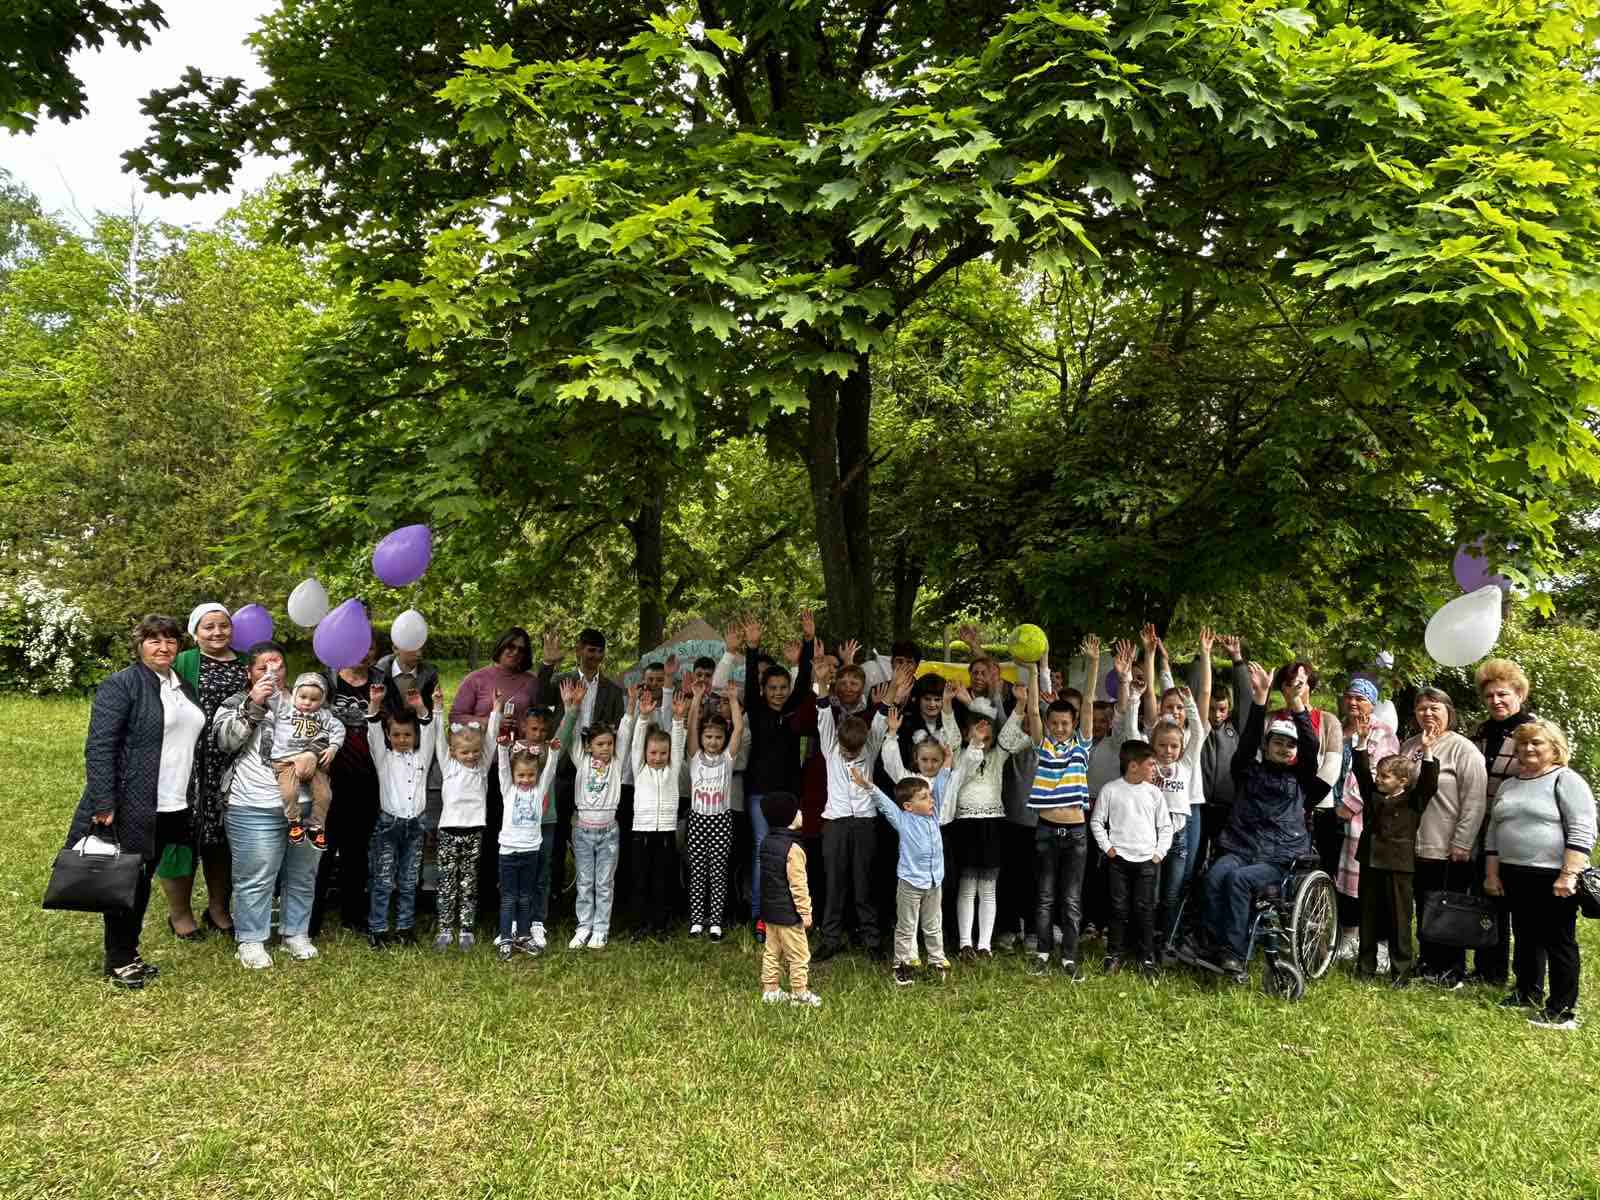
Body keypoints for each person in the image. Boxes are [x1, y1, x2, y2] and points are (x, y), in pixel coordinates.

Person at [65, 614, 205, 989]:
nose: (163, 647)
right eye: (154, 640)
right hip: (133, 802)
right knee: (127, 880)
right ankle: (119, 959)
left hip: (173, 801)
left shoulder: (182, 686)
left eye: (170, 640)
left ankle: (129, 951)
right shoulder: (122, 684)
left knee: (143, 877)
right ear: (139, 645)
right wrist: (104, 801)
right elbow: (99, 747)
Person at [1182, 662, 1326, 982]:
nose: (1284, 748)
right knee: (1215, 876)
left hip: (1277, 859)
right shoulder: (1247, 770)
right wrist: (1260, 699)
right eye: (1277, 742)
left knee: (1239, 880)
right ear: (1267, 745)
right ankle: (1208, 944)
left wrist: (1296, 704)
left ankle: (1233, 953)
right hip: (1240, 848)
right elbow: (1246, 743)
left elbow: (1311, 745)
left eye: (1289, 745)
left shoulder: (1301, 778)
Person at [213, 641, 327, 969]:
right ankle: (251, 940)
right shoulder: (235, 702)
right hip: (252, 804)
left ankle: (295, 933)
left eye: (277, 666)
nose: (271, 672)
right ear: (250, 673)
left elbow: (330, 734)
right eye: (263, 667)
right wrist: (255, 703)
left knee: (303, 873)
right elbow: (224, 741)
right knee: (256, 875)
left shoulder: (306, 701)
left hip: (304, 805)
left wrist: (314, 753)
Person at [1483, 719, 1596, 1030]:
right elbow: (1493, 832)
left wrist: (1569, 874)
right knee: (1525, 936)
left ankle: (1562, 1010)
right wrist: (1492, 874)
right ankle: (1526, 991)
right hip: (1513, 873)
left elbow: (1583, 829)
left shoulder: (1566, 780)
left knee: (1559, 940)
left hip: (1554, 875)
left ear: (1555, 748)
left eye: (1536, 743)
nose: (1528, 748)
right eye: (1523, 744)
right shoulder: (1509, 784)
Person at [161, 602, 250, 939]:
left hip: (234, 765)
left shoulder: (246, 662)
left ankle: (218, 909)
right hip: (188, 764)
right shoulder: (182, 662)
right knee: (180, 837)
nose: (217, 632)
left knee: (224, 839)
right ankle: (180, 915)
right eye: (208, 627)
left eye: (223, 625)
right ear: (195, 632)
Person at [1022, 638, 1099, 980]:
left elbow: (1089, 704)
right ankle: (1042, 951)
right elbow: (1033, 711)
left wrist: (1093, 663)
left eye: (1065, 723)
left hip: (1076, 833)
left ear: (1073, 723)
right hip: (1046, 830)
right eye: (1055, 723)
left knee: (1071, 899)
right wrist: (1031, 670)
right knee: (1044, 896)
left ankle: (1069, 956)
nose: (1060, 728)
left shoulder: (1082, 746)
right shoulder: (1043, 746)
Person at [540, 628, 628, 924]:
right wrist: (548, 664)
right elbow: (540, 698)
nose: (594, 656)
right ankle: (552, 899)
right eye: (590, 650)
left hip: (596, 770)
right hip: (563, 767)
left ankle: (595, 902)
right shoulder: (561, 680)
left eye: (599, 651)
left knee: (593, 839)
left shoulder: (612, 690)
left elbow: (617, 728)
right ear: (578, 649)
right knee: (555, 835)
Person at [940, 679, 1032, 960]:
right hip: (965, 824)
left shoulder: (999, 756)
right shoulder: (958, 753)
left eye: (987, 736)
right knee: (967, 886)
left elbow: (1011, 730)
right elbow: (950, 728)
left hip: (993, 824)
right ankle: (965, 943)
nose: (983, 739)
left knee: (988, 887)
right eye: (976, 734)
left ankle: (984, 945)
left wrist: (1021, 703)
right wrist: (946, 703)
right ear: (966, 734)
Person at [1402, 687, 1488, 987]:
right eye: (1421, 708)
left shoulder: (1463, 749)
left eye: (1434, 707)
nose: (1427, 713)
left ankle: (1451, 969)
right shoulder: (1409, 746)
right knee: (1424, 906)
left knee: (1448, 909)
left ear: (1448, 712)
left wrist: (1463, 842)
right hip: (1412, 844)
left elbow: (1475, 800)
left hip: (1447, 845)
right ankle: (1427, 962)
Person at [737, 614, 811, 943]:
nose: (778, 693)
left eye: (783, 688)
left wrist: (808, 642)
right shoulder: (756, 709)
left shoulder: (794, 708)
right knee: (761, 850)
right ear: (764, 690)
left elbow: (805, 681)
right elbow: (749, 685)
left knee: (790, 853)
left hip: (790, 793)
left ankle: (789, 912)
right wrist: (752, 647)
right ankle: (760, 916)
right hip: (759, 793)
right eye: (772, 688)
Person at [1348, 718, 1438, 985]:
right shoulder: (1373, 795)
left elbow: (1429, 783)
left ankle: (1401, 971)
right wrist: (1361, 741)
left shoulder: (1414, 801)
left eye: (1384, 777)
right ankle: (1365, 967)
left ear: (1402, 781)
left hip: (1399, 866)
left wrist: (1428, 749)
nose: (1378, 779)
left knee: (1400, 918)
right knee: (1367, 915)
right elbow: (1361, 772)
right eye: (1378, 774)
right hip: (1370, 862)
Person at [812, 667, 890, 961]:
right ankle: (830, 938)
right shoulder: (831, 747)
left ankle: (871, 939)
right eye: (846, 750)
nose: (849, 754)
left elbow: (881, 716)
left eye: (854, 751)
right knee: (835, 882)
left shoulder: (870, 747)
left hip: (865, 822)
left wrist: (896, 685)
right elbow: (823, 713)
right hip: (835, 823)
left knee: (864, 881)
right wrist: (822, 682)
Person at [555, 676, 635, 949]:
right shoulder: (582, 760)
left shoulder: (616, 762)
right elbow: (570, 733)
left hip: (608, 832)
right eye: (600, 744)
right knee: (585, 881)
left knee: (604, 883)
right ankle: (583, 927)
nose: (606, 748)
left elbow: (626, 731)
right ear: (589, 746)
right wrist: (572, 707)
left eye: (609, 744)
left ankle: (601, 928)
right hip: (583, 832)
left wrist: (631, 706)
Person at [1469, 658, 1535, 986]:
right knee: (1487, 900)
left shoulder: (1533, 732)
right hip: (1482, 829)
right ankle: (1488, 971)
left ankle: (1526, 981)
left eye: (1503, 694)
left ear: (1519, 694)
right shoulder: (1480, 732)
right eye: (1489, 695)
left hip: (1520, 831)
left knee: (1520, 909)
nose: (1495, 700)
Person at [363, 680, 439, 948]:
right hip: (389, 825)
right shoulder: (384, 758)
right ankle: (378, 928)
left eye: (407, 735)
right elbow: (373, 731)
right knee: (383, 880)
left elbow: (430, 732)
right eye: (396, 735)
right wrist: (374, 703)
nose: (402, 740)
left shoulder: (421, 757)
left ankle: (405, 927)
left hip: (415, 826)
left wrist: (420, 708)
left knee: (409, 880)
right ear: (389, 735)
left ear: (414, 735)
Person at [857, 766, 949, 986]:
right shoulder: (903, 819)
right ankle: (902, 965)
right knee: (906, 927)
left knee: (933, 925)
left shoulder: (934, 815)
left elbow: (941, 789)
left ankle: (937, 961)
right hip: (910, 883)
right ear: (908, 806)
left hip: (934, 882)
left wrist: (946, 765)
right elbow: (884, 804)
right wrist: (868, 786)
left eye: (930, 796)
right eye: (924, 798)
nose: (931, 800)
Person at [1089, 739, 1171, 975]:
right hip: (1119, 861)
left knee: (1145, 909)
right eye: (1151, 764)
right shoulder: (1111, 790)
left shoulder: (1154, 793)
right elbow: (1097, 821)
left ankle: (1146, 958)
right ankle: (1114, 954)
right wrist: (1108, 847)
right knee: (1118, 908)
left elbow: (1165, 826)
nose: (1155, 769)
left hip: (1147, 861)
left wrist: (1159, 853)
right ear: (1133, 766)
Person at [1333, 677, 1399, 966]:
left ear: (1372, 704)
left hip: (1363, 815)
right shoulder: (1338, 728)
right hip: (1330, 810)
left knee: (1367, 880)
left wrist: (1349, 805)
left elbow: (1377, 774)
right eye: (1349, 696)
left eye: (1360, 698)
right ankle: (1347, 935)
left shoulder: (1382, 732)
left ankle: (1378, 943)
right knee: (1342, 878)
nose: (1353, 702)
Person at [314, 646, 380, 935]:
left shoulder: (382, 682)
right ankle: (311, 916)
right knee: (322, 849)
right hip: (328, 779)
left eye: (370, 647)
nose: (364, 653)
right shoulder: (325, 681)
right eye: (358, 645)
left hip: (366, 778)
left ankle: (353, 915)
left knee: (357, 850)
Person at [431, 700, 502, 950]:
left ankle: (466, 929)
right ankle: (445, 928)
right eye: (465, 752)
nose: (471, 756)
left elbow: (491, 740)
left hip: (474, 831)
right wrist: (437, 709)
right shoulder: (449, 766)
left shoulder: (481, 768)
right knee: (447, 882)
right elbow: (438, 740)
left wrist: (496, 711)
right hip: (448, 831)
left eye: (474, 751)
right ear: (453, 752)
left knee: (469, 882)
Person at [494, 731, 562, 960]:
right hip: (508, 852)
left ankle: (523, 936)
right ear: (514, 775)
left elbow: (550, 772)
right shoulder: (508, 790)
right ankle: (506, 938)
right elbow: (503, 770)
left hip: (531, 852)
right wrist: (503, 749)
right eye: (521, 775)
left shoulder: (539, 791)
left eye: (530, 775)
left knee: (526, 896)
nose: (525, 779)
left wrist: (553, 753)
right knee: (509, 897)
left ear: (536, 775)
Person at [686, 683, 746, 940]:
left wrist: (732, 699)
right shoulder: (695, 756)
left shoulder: (728, 758)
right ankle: (697, 920)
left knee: (718, 873)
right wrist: (697, 698)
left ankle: (716, 921)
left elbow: (739, 728)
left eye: (718, 737)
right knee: (698, 872)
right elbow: (691, 726)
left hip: (721, 821)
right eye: (708, 737)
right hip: (697, 821)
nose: (713, 741)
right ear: (702, 738)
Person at [628, 687, 689, 939]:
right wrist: (643, 717)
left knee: (662, 881)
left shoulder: (672, 771)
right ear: (645, 753)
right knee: (640, 880)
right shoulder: (640, 769)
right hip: (641, 833)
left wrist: (678, 719)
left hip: (665, 832)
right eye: (653, 753)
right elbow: (635, 744)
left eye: (663, 753)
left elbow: (678, 746)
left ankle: (661, 925)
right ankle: (640, 925)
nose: (658, 757)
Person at [266, 673, 345, 849]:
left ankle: (316, 826)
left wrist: (333, 747)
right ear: (294, 694)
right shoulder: (285, 708)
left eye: (314, 699)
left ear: (322, 700)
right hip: (285, 760)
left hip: (313, 762)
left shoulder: (323, 715)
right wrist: (271, 675)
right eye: (303, 697)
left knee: (325, 794)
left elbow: (338, 728)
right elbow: (274, 695)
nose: (307, 702)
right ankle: (294, 822)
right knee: (289, 793)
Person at [757, 791, 820, 1007]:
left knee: (772, 952)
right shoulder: (794, 849)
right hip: (789, 914)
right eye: (797, 811)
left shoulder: (766, 842)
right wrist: (805, 912)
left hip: (770, 912)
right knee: (799, 955)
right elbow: (798, 885)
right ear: (789, 818)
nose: (801, 812)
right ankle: (800, 993)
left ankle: (770, 989)